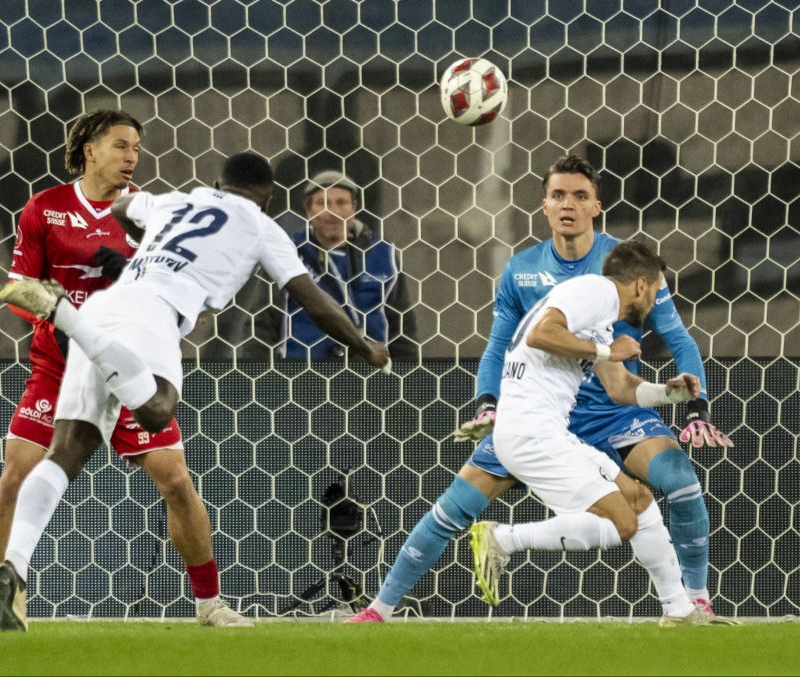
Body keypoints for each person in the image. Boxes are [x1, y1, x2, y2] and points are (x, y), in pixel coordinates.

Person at [0, 151, 390, 631]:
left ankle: (14, 565)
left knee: (67, 452)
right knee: (157, 410)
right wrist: (365, 347)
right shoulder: (263, 227)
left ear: (217, 181)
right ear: (270, 197)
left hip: (105, 305)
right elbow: (315, 302)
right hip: (153, 314)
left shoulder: (176, 201)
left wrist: (145, 247)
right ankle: (62, 312)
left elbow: (120, 208)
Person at [348, 154, 733, 623]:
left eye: (579, 196)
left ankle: (690, 604)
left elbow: (664, 348)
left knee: (673, 484)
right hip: (538, 419)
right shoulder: (526, 271)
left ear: (596, 207)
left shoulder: (624, 264)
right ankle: (381, 608)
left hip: (602, 411)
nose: (568, 204)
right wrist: (487, 403)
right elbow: (505, 344)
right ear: (544, 207)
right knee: (455, 508)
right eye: (558, 196)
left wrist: (692, 402)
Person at [0, 109, 243, 629]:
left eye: (136, 148)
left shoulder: (150, 215)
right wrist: (51, 313)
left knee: (176, 480)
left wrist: (130, 273)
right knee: (16, 473)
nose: (132, 157)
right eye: (122, 146)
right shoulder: (47, 208)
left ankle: (210, 603)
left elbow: (178, 294)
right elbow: (16, 286)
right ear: (90, 148)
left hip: (127, 369)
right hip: (58, 367)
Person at [474, 241, 713, 625]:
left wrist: (671, 393)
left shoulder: (597, 316)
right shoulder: (594, 290)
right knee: (623, 522)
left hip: (545, 430)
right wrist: (606, 351)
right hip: (529, 432)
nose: (652, 304)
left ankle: (680, 611)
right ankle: (502, 539)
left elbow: (621, 389)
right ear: (640, 285)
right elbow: (539, 334)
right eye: (654, 292)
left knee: (639, 500)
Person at [239, 170, 418, 360]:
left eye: (341, 203)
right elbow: (259, 326)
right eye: (322, 203)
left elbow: (403, 329)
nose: (332, 212)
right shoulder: (287, 254)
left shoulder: (384, 255)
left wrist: (409, 381)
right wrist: (255, 380)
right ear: (308, 211)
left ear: (354, 208)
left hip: (369, 375)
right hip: (301, 376)